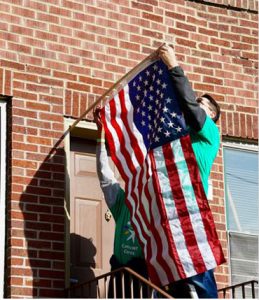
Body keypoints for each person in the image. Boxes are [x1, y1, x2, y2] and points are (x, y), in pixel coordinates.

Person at [156, 44, 221, 298]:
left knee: (198, 270)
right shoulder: (182, 137)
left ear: (212, 115)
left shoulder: (209, 133)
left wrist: (174, 66)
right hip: (174, 207)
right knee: (176, 273)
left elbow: (192, 112)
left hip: (193, 210)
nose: (195, 103)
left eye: (201, 103)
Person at [93, 107, 150, 298]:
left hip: (144, 279)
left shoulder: (155, 207)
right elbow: (104, 173)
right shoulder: (122, 202)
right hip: (119, 275)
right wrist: (101, 136)